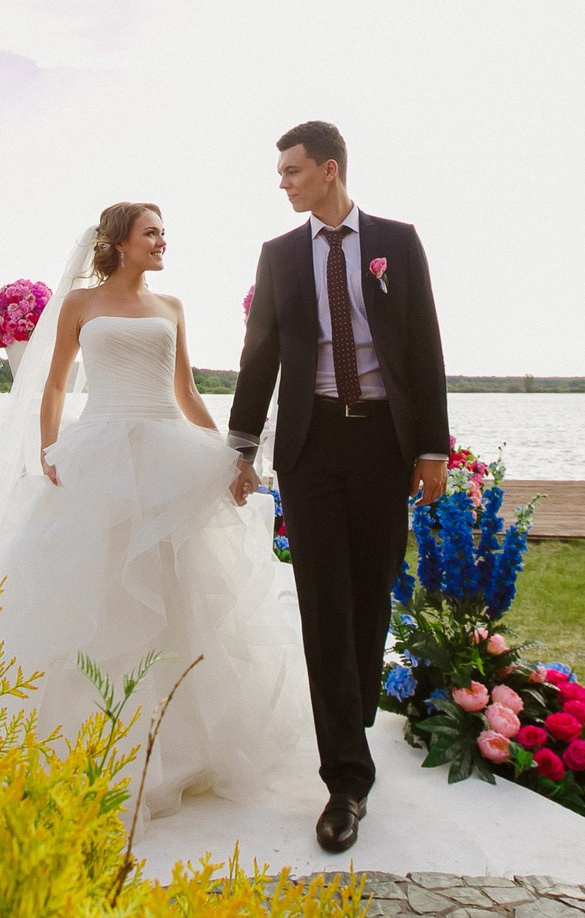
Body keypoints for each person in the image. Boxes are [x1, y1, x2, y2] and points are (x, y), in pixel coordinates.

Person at [0, 202, 309, 828]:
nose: (162, 241)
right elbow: (57, 384)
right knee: (100, 589)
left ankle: (180, 747)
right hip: (99, 453)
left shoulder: (171, 307)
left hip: (167, 451)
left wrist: (232, 455)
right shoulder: (80, 306)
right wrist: (48, 448)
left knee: (177, 591)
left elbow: (187, 391)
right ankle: (91, 739)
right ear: (118, 241)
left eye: (164, 232)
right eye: (151, 232)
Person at [229, 120, 449, 854]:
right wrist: (242, 446)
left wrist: (432, 450)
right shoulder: (280, 256)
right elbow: (259, 353)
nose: (283, 183)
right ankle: (345, 782)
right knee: (323, 603)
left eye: (292, 171)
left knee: (371, 589)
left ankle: (348, 710)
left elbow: (423, 346)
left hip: (383, 442)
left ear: (328, 170)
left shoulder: (397, 242)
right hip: (311, 443)